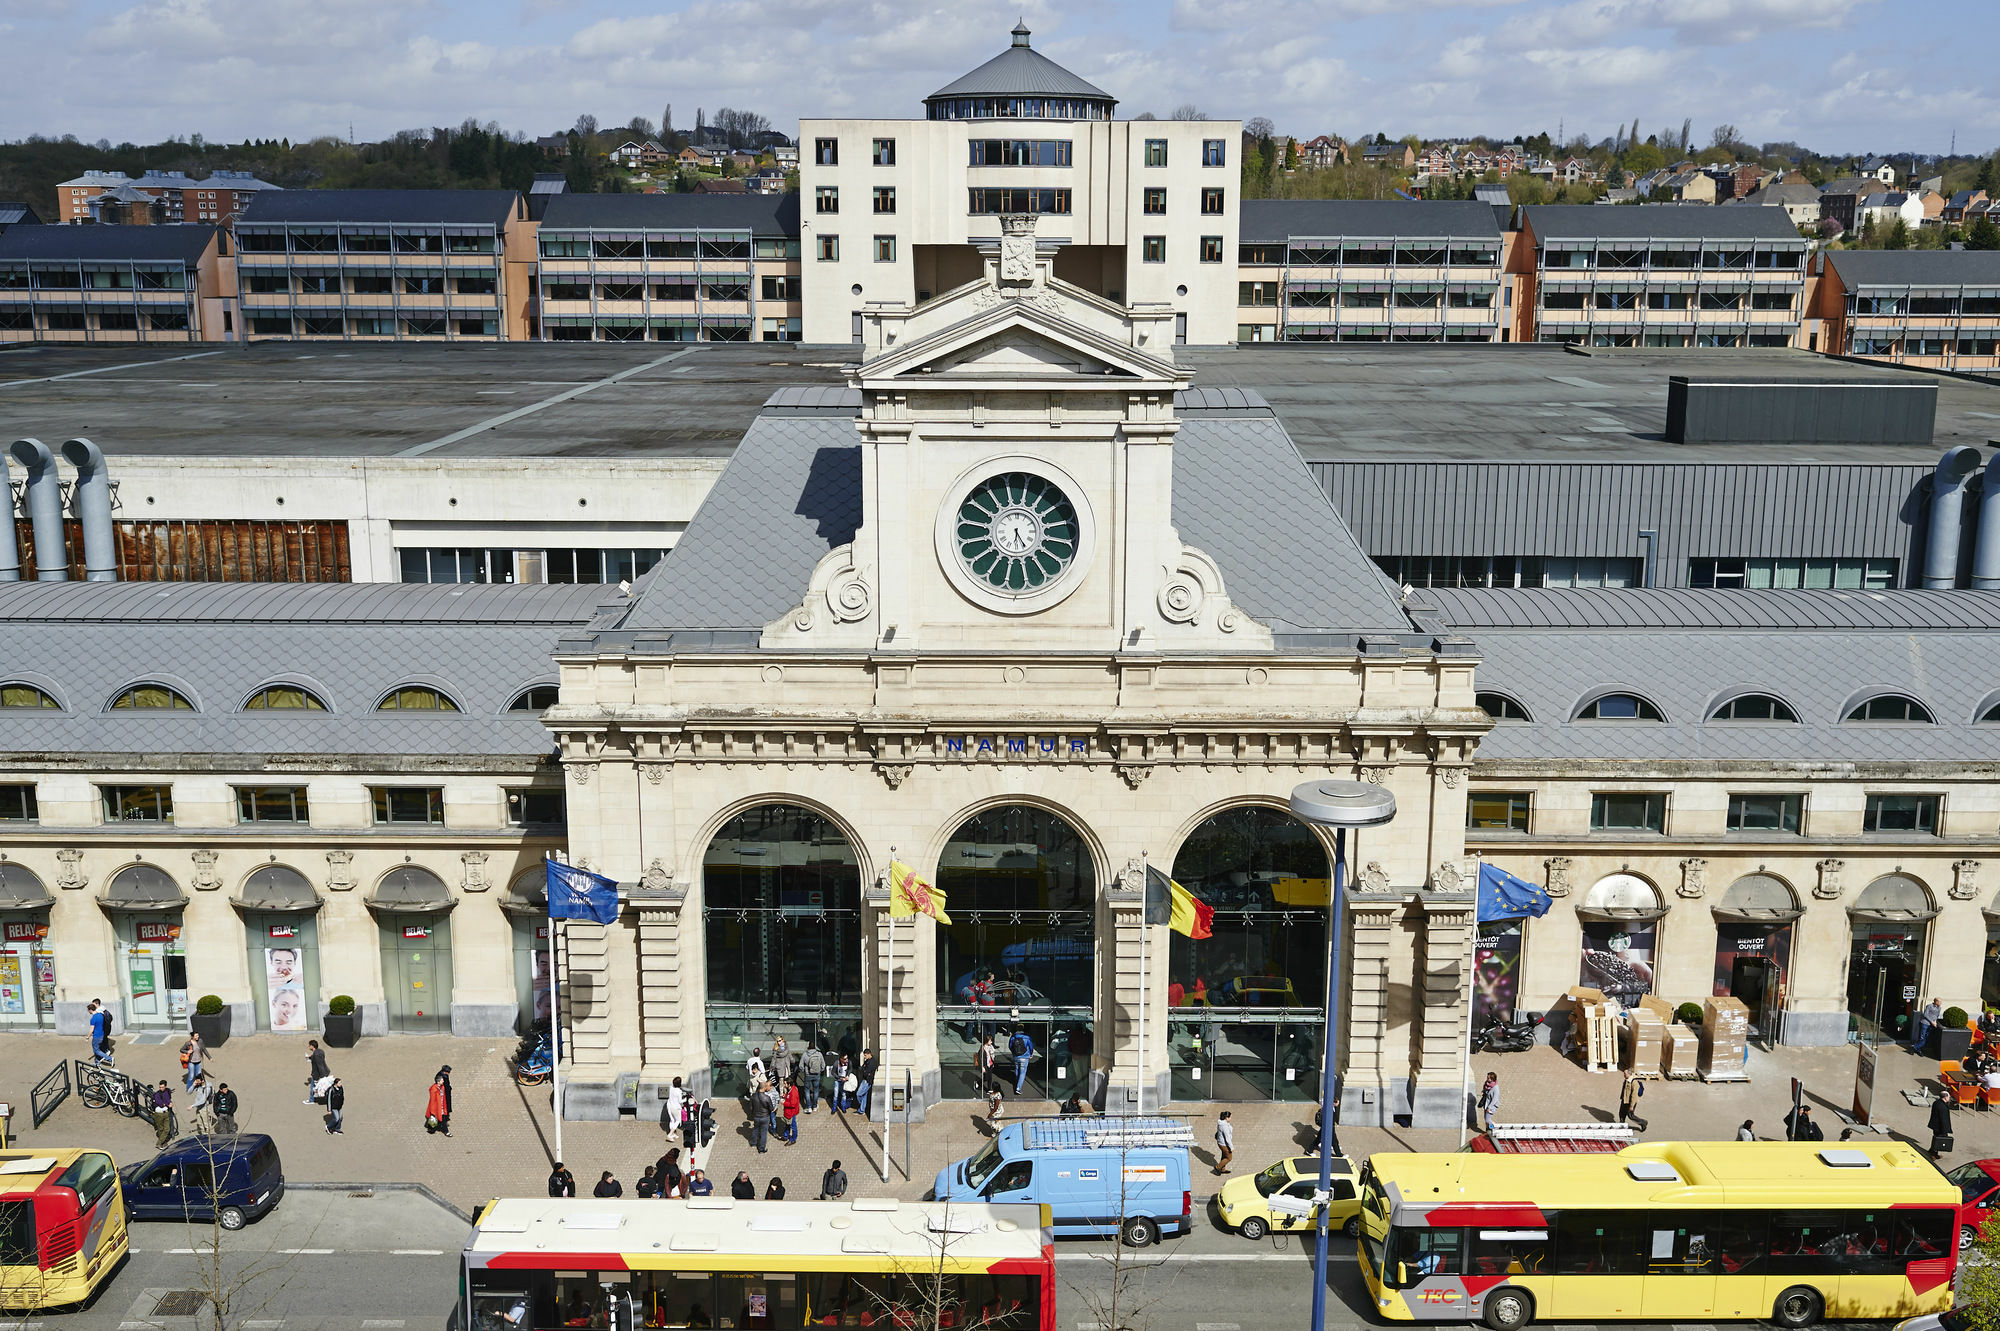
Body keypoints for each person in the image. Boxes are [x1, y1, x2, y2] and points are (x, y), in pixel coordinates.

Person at [87, 999, 114, 1066]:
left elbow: (91, 1029)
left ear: (90, 1010)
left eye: (88, 1010)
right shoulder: (101, 1015)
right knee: (97, 1049)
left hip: (96, 1036)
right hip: (102, 1034)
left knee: (96, 1050)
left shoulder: (93, 1019)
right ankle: (97, 1062)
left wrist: (87, 1037)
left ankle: (109, 1059)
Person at [799, 1044, 825, 1113]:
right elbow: (823, 1065)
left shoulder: (805, 1054)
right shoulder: (819, 1054)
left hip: (808, 1075)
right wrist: (819, 1071)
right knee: (816, 1090)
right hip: (817, 1075)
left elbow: (800, 1065)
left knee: (807, 1090)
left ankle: (808, 1107)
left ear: (808, 1047)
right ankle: (815, 1106)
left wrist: (805, 1071)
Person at [1009, 1027, 1035, 1096]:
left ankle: (1018, 1082)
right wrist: (1031, 1053)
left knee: (1017, 1069)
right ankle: (1018, 1088)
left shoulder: (1013, 1037)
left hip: (1016, 1056)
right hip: (1025, 1057)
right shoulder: (1027, 1037)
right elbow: (1031, 1047)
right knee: (1022, 1073)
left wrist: (1014, 1053)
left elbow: (1010, 1046)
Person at [1929, 1094, 1955, 1161]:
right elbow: (1944, 1119)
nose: (1949, 1098)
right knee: (1938, 1140)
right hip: (1940, 1126)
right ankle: (1933, 1154)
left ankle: (1932, 1150)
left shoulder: (1936, 1102)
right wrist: (1945, 1130)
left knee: (1936, 1137)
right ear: (1945, 1097)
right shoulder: (1942, 1107)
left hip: (1935, 1124)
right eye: (1949, 1097)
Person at [305, 1039, 330, 1105]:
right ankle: (327, 1099)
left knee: (313, 1087)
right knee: (325, 1087)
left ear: (312, 1046)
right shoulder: (320, 1051)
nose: (309, 1047)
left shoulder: (316, 1055)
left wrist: (321, 1076)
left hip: (317, 1074)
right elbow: (318, 1058)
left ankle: (311, 1100)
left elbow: (319, 1065)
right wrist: (310, 1057)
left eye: (309, 1045)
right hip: (325, 1071)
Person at [856, 1048, 879, 1117]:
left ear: (869, 1054)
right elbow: (863, 1068)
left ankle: (862, 1108)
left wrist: (864, 1071)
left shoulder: (872, 1062)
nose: (864, 1057)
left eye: (865, 1055)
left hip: (867, 1081)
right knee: (864, 1095)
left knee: (859, 1094)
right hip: (865, 1080)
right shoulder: (867, 1061)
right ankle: (862, 1110)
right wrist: (864, 1070)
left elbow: (866, 1072)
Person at [151, 1079, 174, 1147]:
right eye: (160, 1087)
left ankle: (159, 1143)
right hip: (159, 1113)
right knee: (160, 1129)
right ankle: (162, 1142)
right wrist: (168, 1104)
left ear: (165, 1086)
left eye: (162, 1087)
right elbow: (160, 1103)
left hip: (166, 1113)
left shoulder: (168, 1091)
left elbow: (168, 1099)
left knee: (167, 1129)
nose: (161, 1088)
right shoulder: (157, 1094)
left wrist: (170, 1103)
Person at [1213, 1110, 1234, 1175]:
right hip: (1224, 1144)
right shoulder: (1224, 1126)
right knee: (1229, 1158)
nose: (1231, 1118)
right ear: (1226, 1118)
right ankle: (1217, 1168)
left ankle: (1223, 1169)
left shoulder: (1222, 1123)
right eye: (1230, 1117)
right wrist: (1231, 1147)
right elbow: (1227, 1138)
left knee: (1224, 1155)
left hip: (1221, 1143)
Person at [435, 1065, 454, 1133]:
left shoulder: (444, 1075)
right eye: (448, 1072)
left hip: (446, 1093)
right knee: (444, 1108)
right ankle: (443, 1123)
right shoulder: (441, 1077)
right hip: (443, 1095)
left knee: (447, 1106)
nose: (449, 1073)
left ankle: (445, 1118)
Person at [782, 1079, 801, 1145]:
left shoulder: (794, 1092)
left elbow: (792, 1104)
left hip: (791, 1112)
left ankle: (793, 1139)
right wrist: (785, 1096)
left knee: (793, 1126)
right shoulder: (790, 1090)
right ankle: (786, 1136)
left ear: (789, 1084)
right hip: (788, 1112)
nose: (784, 1085)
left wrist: (784, 1103)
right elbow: (789, 1097)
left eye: (785, 1083)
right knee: (787, 1124)